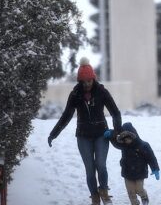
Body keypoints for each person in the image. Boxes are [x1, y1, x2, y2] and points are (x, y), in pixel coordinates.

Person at [47, 57, 122, 205]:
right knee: (90, 169)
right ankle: (94, 196)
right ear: (80, 81)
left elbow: (116, 113)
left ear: (93, 78)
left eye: (89, 80)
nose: (87, 84)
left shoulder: (101, 91)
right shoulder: (75, 94)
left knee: (101, 165)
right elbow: (66, 116)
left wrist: (116, 132)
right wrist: (54, 133)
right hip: (83, 137)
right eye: (84, 81)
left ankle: (104, 192)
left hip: (101, 134)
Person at [105, 122, 159, 205]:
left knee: (139, 189)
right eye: (125, 140)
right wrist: (111, 134)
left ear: (133, 135)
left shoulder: (143, 145)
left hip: (140, 172)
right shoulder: (123, 145)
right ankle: (135, 203)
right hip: (127, 172)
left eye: (128, 139)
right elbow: (115, 139)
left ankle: (144, 197)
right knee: (131, 191)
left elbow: (151, 158)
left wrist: (155, 169)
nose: (127, 141)